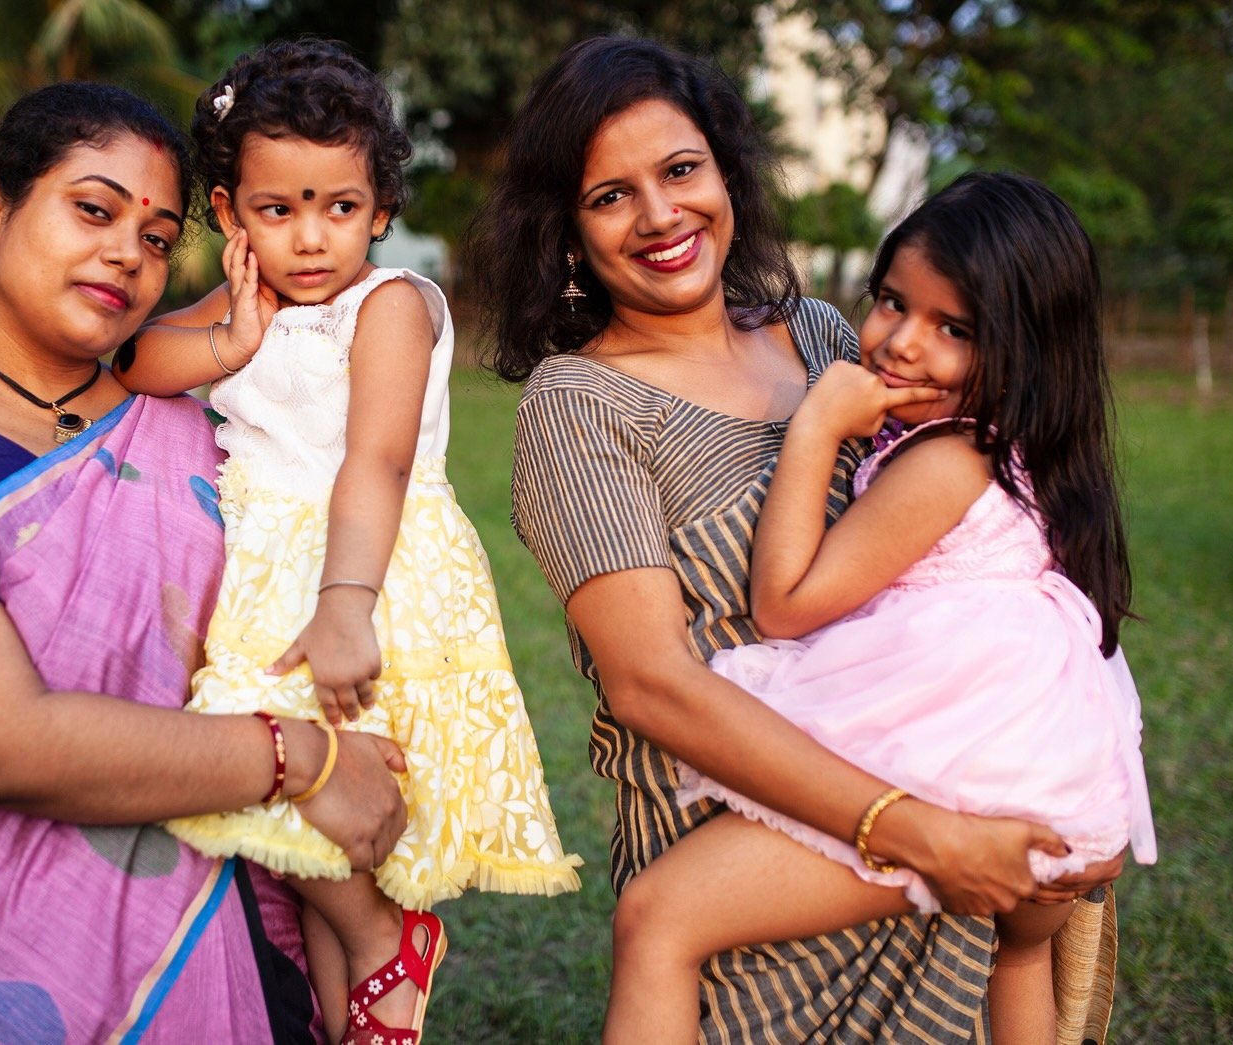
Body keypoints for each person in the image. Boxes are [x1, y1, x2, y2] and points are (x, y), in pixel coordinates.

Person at [472, 36, 1126, 1042]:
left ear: (727, 172)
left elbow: (988, 520)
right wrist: (912, 830)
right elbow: (651, 685)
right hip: (748, 832)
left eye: (681, 170)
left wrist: (1065, 757)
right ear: (564, 231)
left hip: (934, 786)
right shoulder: (582, 405)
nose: (660, 215)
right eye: (609, 196)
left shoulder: (821, 333)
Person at [0, 81, 414, 1042]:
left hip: (260, 912)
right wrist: (301, 758)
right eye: (94, 210)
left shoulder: (198, 427)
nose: (129, 253)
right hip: (25, 944)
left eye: (158, 238)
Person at [603, 171, 1158, 1044]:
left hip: (981, 790)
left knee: (660, 917)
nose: (901, 343)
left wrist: (817, 425)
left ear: (1026, 349)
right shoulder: (1033, 454)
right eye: (893, 302)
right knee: (1018, 959)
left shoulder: (947, 461)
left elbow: (784, 605)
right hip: (1057, 795)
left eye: (954, 329)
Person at [112, 39, 581, 1044]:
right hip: (266, 572)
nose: (312, 237)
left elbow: (379, 461)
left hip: (364, 568)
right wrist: (229, 341)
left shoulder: (389, 306)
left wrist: (344, 604)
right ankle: (356, 1003)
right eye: (279, 210)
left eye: (339, 207)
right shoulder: (247, 303)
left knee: (256, 766)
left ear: (381, 209)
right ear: (231, 213)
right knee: (304, 829)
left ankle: (384, 942)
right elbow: (133, 358)